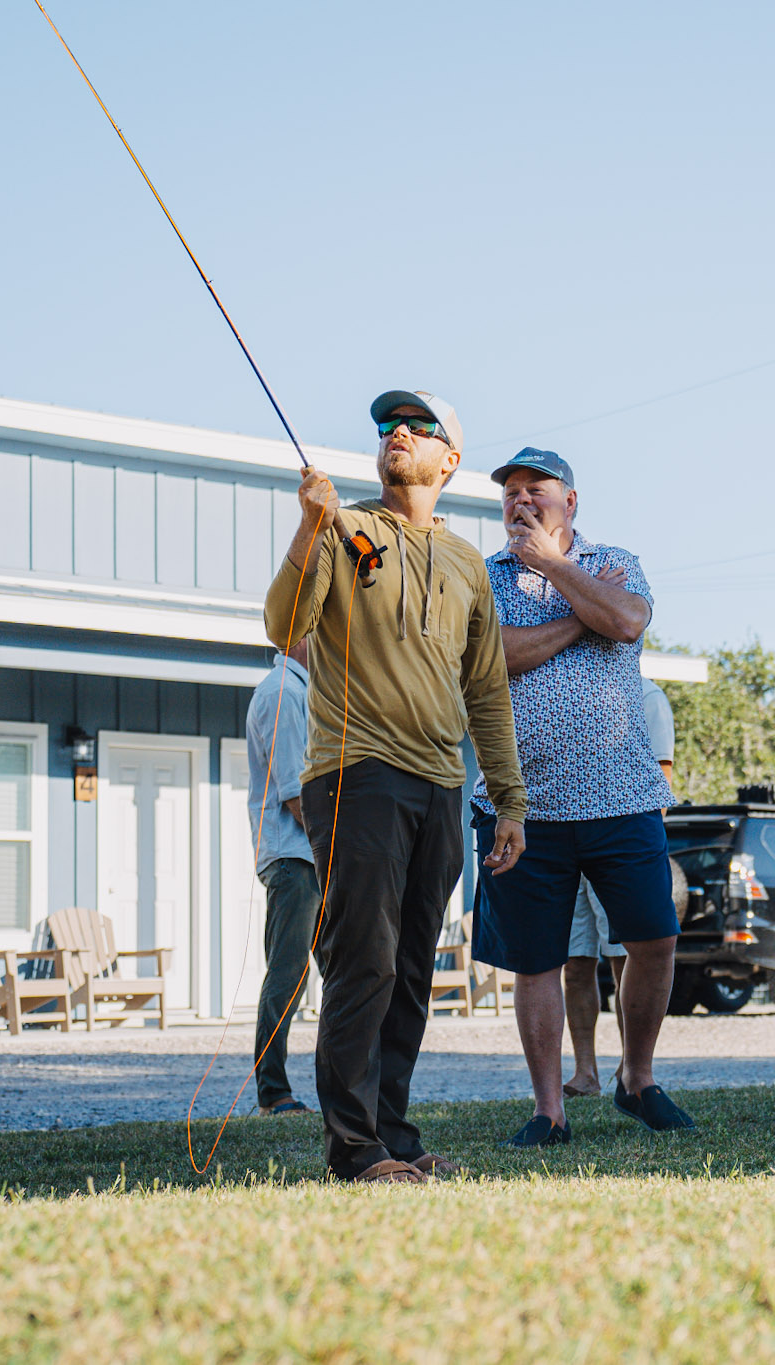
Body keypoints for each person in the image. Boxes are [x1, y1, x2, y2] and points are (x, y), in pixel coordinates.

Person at [264, 388, 528, 1183]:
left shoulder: (467, 564)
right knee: (365, 961)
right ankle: (354, 1150)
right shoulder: (348, 529)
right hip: (356, 771)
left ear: (450, 459)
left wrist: (509, 799)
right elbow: (284, 627)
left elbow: (486, 690)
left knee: (413, 966)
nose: (397, 434)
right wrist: (311, 528)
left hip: (441, 784)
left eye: (417, 427)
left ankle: (392, 1133)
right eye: (387, 427)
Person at [469, 447, 695, 1144]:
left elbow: (627, 621)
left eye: (534, 489)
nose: (519, 501)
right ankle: (549, 1109)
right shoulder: (482, 577)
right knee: (536, 958)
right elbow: (492, 657)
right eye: (509, 492)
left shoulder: (613, 561)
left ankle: (638, 1078)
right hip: (520, 803)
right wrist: (578, 622)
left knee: (654, 939)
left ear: (571, 501)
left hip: (622, 794)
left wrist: (554, 570)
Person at [563, 674, 676, 1099]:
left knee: (623, 959)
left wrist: (638, 862)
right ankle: (585, 1072)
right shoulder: (568, 689)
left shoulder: (646, 695)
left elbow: (660, 778)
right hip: (563, 841)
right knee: (574, 964)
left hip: (618, 848)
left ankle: (631, 1069)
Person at [244, 639, 317, 1116]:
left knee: (334, 972)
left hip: (309, 856)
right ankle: (273, 1093)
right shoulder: (283, 694)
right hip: (296, 857)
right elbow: (296, 795)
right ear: (297, 636)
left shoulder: (301, 691)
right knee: (288, 975)